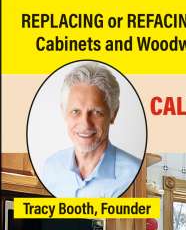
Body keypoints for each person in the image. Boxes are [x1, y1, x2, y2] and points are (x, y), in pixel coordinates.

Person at [39, 63, 142, 197]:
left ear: (113, 113)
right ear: (64, 112)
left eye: (96, 112)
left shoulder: (134, 174)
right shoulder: (50, 168)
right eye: (75, 111)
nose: (85, 124)